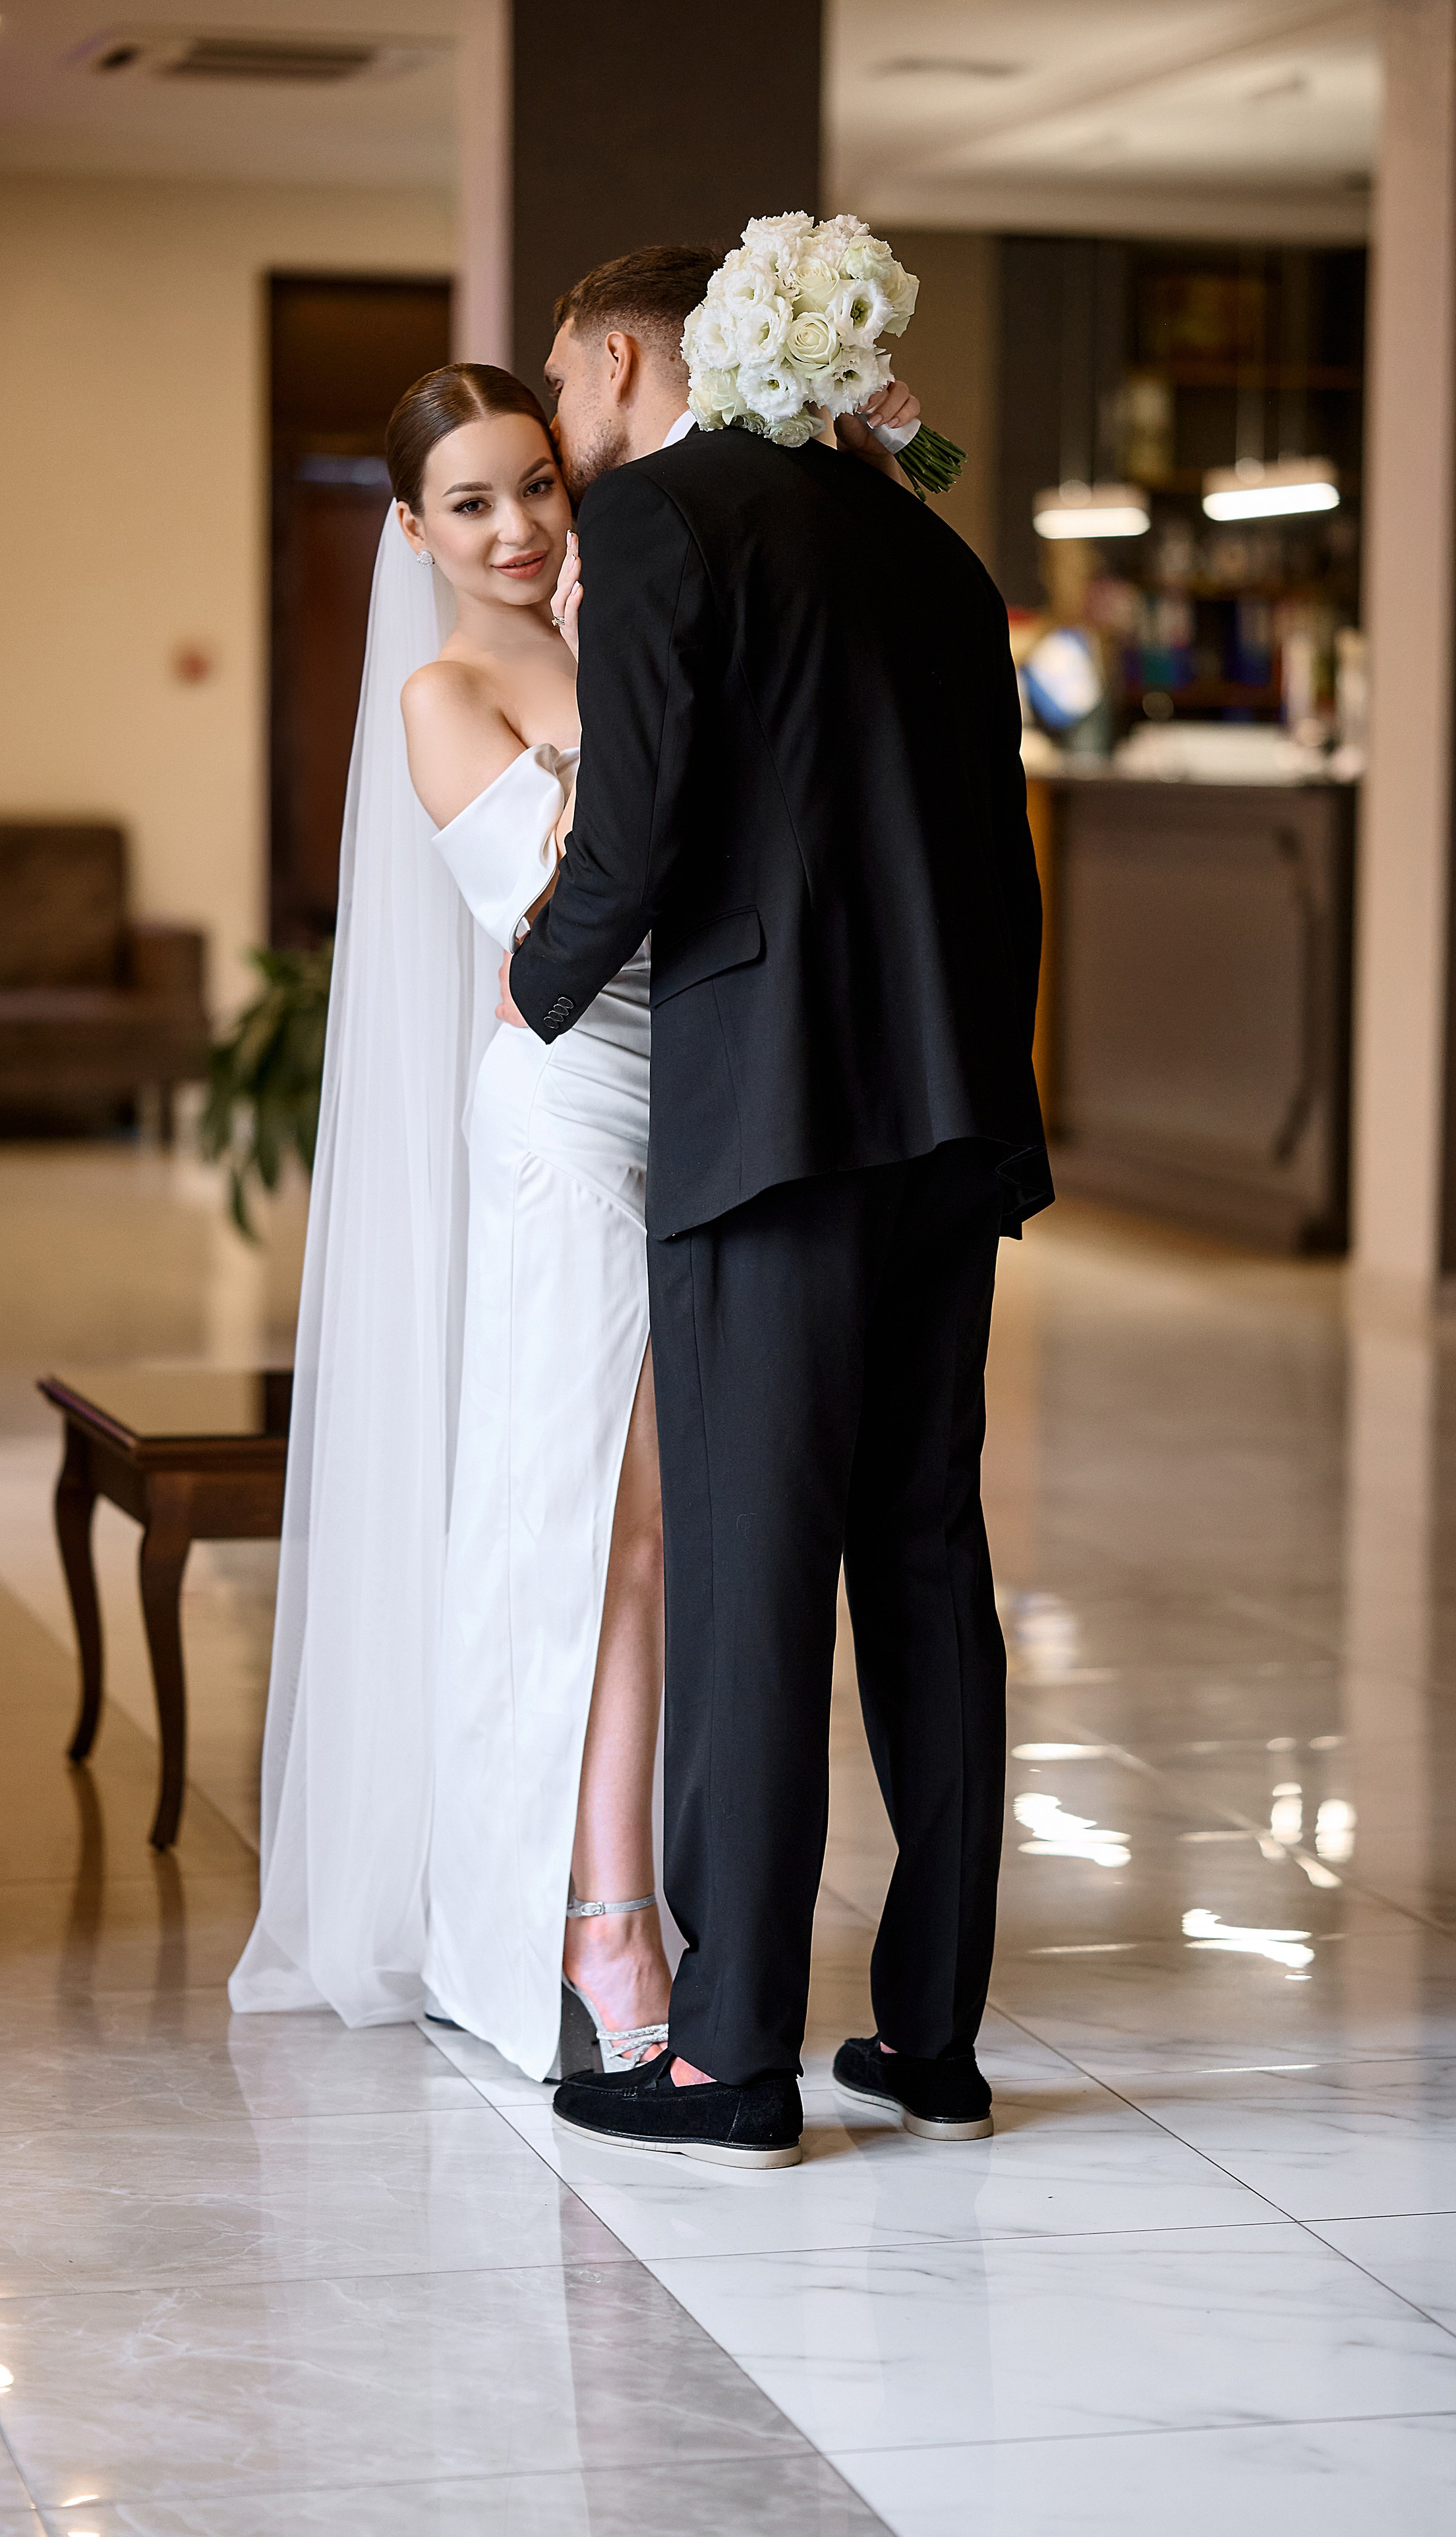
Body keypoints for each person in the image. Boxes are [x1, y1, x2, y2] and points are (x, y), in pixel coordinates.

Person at [231, 321, 921, 2085]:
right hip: (566, 1118)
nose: (521, 528)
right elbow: (570, 910)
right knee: (601, 1536)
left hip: (697, 1110)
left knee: (671, 1535)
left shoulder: (626, 625)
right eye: (472, 505)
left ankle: (624, 1893)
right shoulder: (442, 699)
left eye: (539, 485)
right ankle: (592, 1919)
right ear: (413, 533)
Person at [514, 246, 1051, 2170]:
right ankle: (933, 2044)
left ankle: (728, 2058)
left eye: (568, 392)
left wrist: (539, 973)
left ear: (629, 355)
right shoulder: (930, 549)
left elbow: (642, 828)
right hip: (947, 1122)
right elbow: (998, 860)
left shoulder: (666, 516)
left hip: (769, 1122)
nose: (567, 442)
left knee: (748, 1571)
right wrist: (991, 1101)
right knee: (921, 1563)